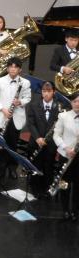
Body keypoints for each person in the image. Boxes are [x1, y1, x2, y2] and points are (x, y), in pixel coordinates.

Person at [0, 57, 31, 180]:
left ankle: (12, 168)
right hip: (3, 116)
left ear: (20, 69)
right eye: (11, 67)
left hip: (16, 118)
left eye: (15, 67)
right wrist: (3, 110)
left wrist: (20, 102)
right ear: (7, 68)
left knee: (13, 144)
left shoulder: (25, 83)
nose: (13, 69)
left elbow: (28, 98)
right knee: (1, 143)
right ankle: (1, 169)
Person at [26, 81, 61, 197]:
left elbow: (59, 127)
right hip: (36, 142)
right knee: (36, 164)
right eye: (44, 91)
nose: (46, 94)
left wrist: (48, 139)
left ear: (54, 92)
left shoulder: (59, 107)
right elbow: (30, 124)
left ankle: (46, 187)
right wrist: (37, 138)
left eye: (49, 91)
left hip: (50, 143)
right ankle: (35, 187)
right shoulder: (33, 105)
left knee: (48, 165)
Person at [52, 93, 79, 221]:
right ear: (71, 103)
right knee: (64, 184)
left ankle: (75, 210)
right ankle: (65, 210)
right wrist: (66, 148)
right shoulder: (63, 116)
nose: (77, 104)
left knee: (78, 185)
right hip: (66, 155)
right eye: (75, 101)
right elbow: (56, 135)